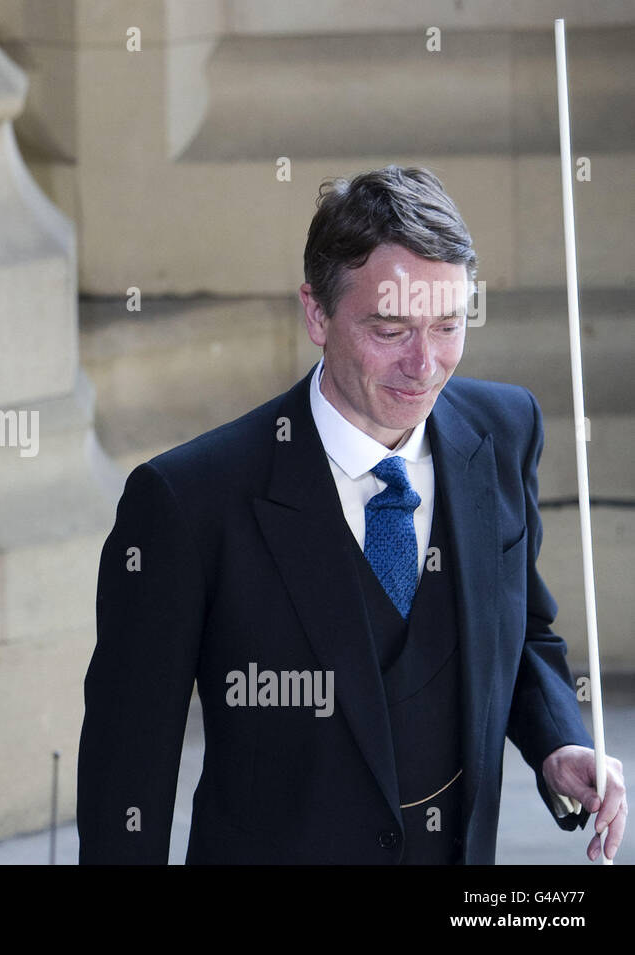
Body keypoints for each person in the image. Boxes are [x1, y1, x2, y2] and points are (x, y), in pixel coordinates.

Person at [77, 165, 626, 864]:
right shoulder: (188, 500)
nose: (424, 364)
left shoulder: (505, 429)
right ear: (316, 313)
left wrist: (558, 741)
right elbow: (128, 767)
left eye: (449, 324)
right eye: (391, 328)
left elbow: (519, 631)